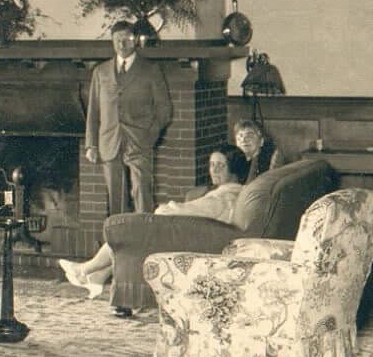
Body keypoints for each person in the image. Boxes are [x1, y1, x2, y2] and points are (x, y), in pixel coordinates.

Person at [60, 144, 249, 296]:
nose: (214, 170)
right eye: (211, 164)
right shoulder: (233, 193)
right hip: (197, 238)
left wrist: (163, 209)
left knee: (127, 231)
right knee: (129, 237)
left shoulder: (222, 198)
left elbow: (181, 211)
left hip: (187, 242)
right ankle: (97, 275)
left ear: (234, 169)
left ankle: (85, 270)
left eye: (220, 165)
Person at [84, 21, 172, 215]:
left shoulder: (150, 70)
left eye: (126, 40)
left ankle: (146, 239)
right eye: (117, 40)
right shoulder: (101, 72)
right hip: (110, 141)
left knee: (142, 192)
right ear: (112, 42)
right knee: (116, 197)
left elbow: (164, 109)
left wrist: (151, 134)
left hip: (139, 141)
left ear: (135, 42)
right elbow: (93, 111)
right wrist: (91, 144)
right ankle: (120, 241)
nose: (122, 45)